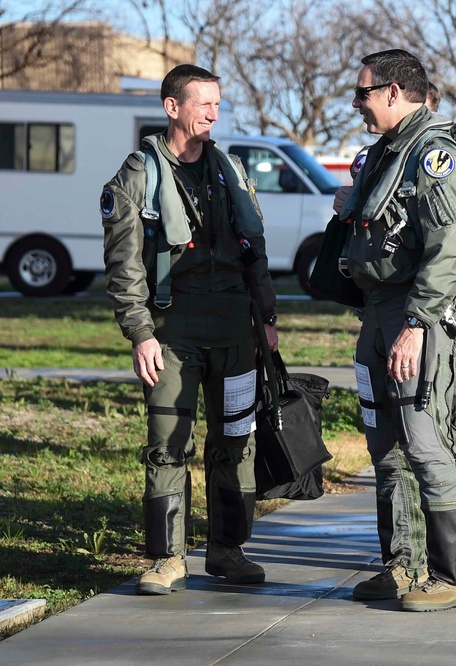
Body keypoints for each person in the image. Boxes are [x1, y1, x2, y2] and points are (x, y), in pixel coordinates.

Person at [100, 64, 279, 595]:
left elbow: (257, 253)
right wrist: (140, 333)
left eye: (217, 103)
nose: (213, 112)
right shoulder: (139, 174)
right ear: (172, 107)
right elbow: (123, 264)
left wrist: (266, 319)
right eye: (203, 102)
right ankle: (167, 558)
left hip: (235, 331)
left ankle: (228, 549)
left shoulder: (231, 170)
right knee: (166, 444)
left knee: (234, 442)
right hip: (172, 330)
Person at [343, 49, 456, 612]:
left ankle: (452, 574)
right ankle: (403, 564)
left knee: (426, 444)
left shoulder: (433, 157)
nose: (358, 105)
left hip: (414, 316)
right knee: (386, 448)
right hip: (377, 313)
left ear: (394, 93)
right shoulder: (385, 155)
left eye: (364, 94)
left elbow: (449, 253)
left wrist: (417, 325)